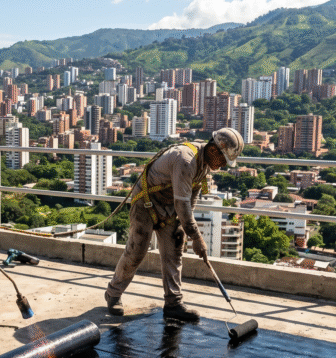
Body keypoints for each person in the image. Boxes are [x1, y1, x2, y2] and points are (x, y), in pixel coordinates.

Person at [103, 128, 244, 322]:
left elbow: (191, 200)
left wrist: (187, 230)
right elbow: (183, 203)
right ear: (214, 150)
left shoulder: (204, 166)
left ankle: (173, 303)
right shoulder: (186, 160)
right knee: (136, 251)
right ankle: (113, 294)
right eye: (223, 160)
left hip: (170, 207)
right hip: (146, 202)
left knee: (174, 251)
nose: (222, 166)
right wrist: (197, 236)